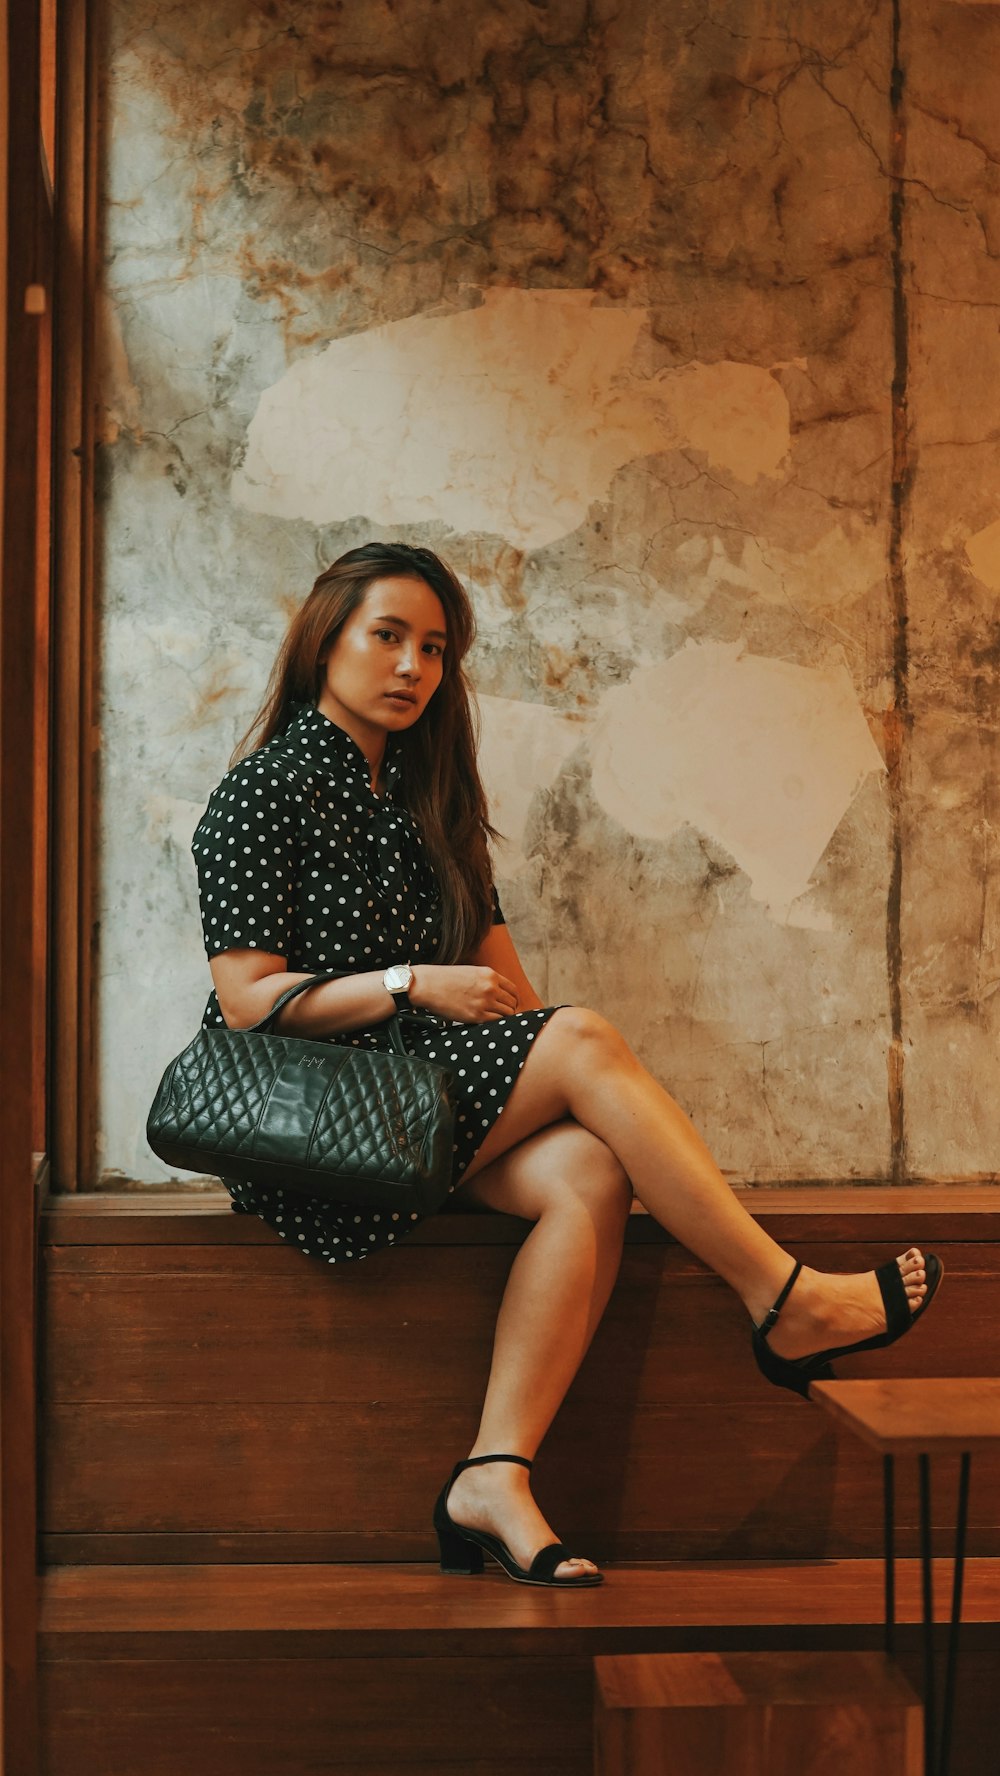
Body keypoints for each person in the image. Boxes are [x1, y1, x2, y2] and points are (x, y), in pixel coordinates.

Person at [191, 540, 942, 1591]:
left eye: (436, 648)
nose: (413, 665)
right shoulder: (263, 792)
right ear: (326, 644)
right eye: (388, 636)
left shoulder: (432, 809)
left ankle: (492, 1477)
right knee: (582, 1041)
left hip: (417, 1113)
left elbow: (515, 1002)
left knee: (590, 1165)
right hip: (315, 1135)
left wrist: (589, 1102)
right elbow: (247, 999)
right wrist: (413, 982)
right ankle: (781, 1299)